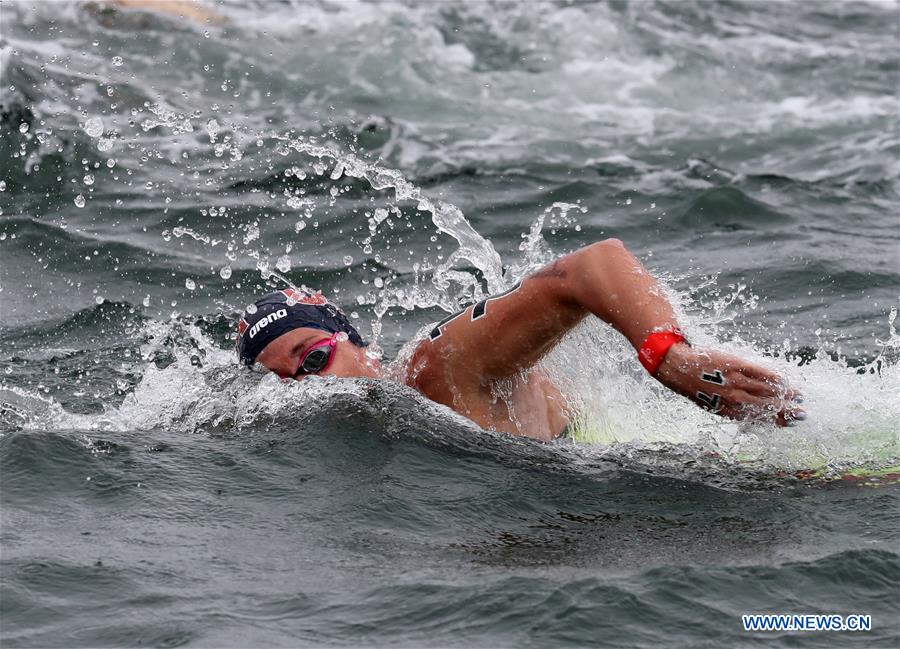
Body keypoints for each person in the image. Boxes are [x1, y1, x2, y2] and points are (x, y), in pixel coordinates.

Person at [236, 239, 804, 441]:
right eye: (280, 384)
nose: (305, 389)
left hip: (734, 461)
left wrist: (668, 356)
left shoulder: (437, 370)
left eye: (311, 359)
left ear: (358, 345)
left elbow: (587, 267)